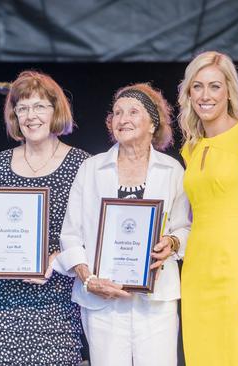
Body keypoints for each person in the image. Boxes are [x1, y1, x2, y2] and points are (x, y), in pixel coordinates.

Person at [55, 83, 191, 366]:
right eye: (117, 113)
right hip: (103, 301)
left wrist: (173, 243)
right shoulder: (90, 169)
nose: (122, 119)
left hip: (156, 302)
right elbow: (70, 235)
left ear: (153, 123)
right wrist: (89, 280)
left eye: (132, 112)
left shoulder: (172, 170)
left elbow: (185, 228)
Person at [0, 70, 91, 365]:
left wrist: (55, 258)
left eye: (39, 106)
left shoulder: (82, 165)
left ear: (55, 110)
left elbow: (91, 237)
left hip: (53, 307)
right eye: (22, 108)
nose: (30, 115)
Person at [178, 51, 238, 365]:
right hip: (196, 274)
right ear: (188, 93)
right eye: (198, 86)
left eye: (215, 86)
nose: (205, 95)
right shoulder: (190, 148)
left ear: (230, 91)